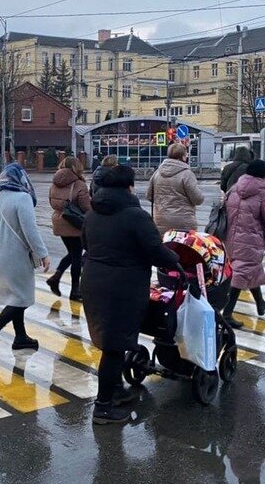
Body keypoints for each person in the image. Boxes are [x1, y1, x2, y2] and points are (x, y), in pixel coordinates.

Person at [81, 165, 179, 424]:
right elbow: (155, 250)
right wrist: (176, 261)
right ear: (128, 187)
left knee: (110, 340)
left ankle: (115, 391)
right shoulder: (135, 215)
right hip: (123, 287)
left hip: (93, 283)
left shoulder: (92, 213)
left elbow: (85, 245)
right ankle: (103, 408)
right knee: (114, 348)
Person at [0, 163, 51, 351]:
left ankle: (20, 337)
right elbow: (30, 230)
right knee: (22, 297)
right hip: (16, 256)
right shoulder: (22, 198)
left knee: (15, 297)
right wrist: (43, 253)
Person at [222, 160, 265, 329]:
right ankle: (227, 314)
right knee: (241, 274)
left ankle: (260, 303)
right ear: (263, 174)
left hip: (231, 239)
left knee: (252, 269)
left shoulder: (234, 189)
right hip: (250, 240)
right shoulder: (261, 194)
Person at [47, 157, 91, 301]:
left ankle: (56, 277)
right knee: (76, 257)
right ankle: (75, 291)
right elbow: (86, 207)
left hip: (60, 221)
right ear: (76, 167)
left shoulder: (54, 182)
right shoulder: (79, 184)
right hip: (75, 223)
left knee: (73, 253)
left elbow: (51, 202)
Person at [145, 143, 204, 236]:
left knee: (165, 248)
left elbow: (149, 196)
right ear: (183, 156)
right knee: (184, 249)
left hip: (161, 222)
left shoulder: (157, 173)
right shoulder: (187, 174)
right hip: (184, 223)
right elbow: (198, 199)